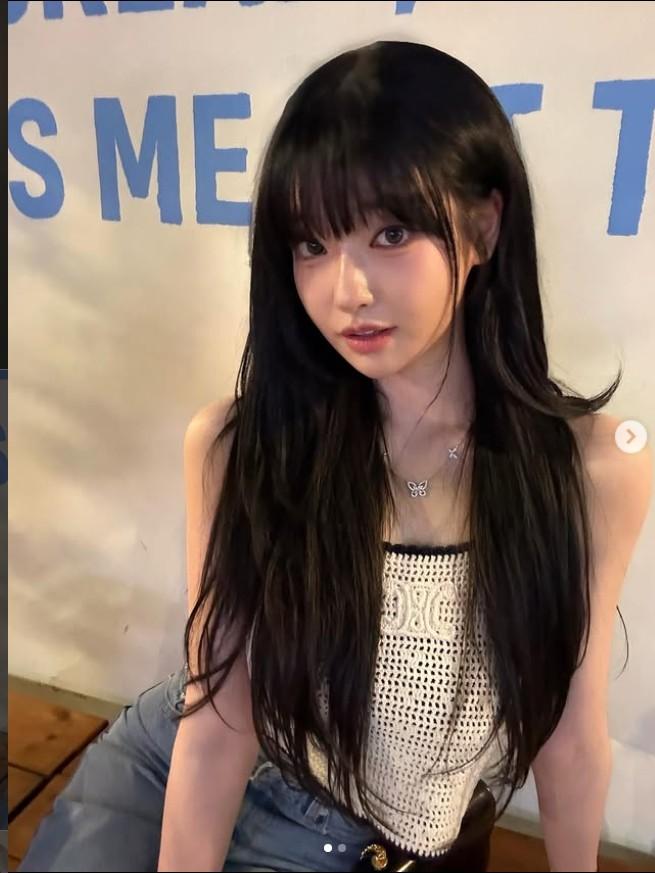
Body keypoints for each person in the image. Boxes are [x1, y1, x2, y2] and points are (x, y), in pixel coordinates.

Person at [19, 39, 651, 873]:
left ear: (484, 226)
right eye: (312, 245)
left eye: (390, 232)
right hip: (168, 763)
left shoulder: (591, 469)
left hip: (346, 842)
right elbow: (216, 724)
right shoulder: (241, 444)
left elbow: (569, 738)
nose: (345, 290)